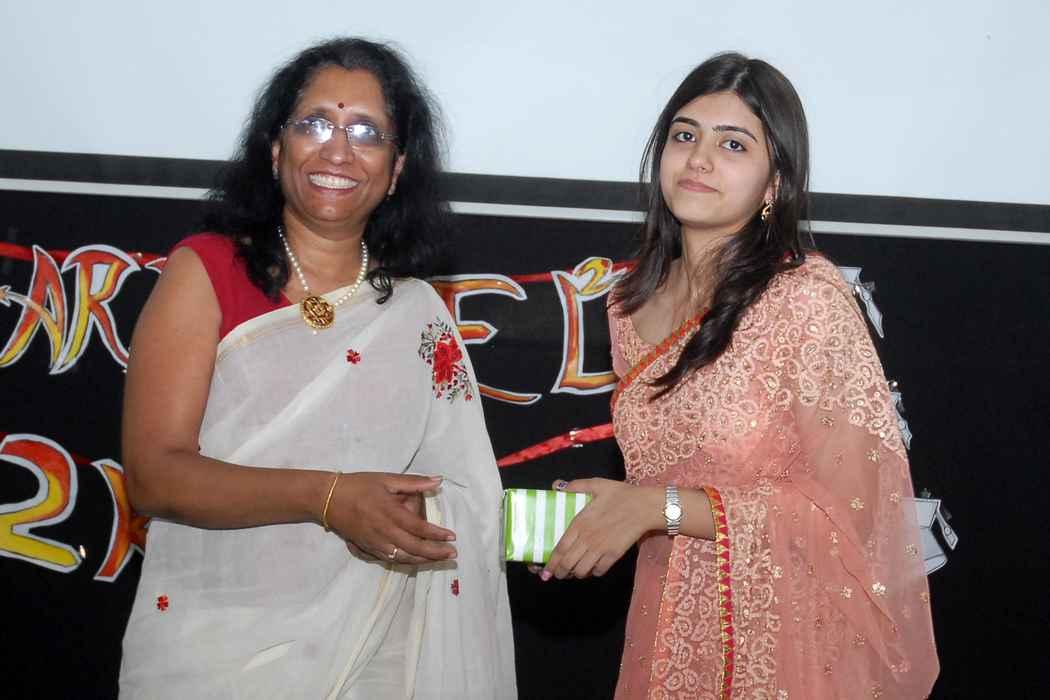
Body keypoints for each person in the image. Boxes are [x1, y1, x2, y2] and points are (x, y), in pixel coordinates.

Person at [120, 38, 515, 699]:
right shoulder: (207, 270)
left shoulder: (414, 313)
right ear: (276, 149)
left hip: (374, 651)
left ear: (396, 170)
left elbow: (460, 489)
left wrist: (414, 511)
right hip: (216, 645)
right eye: (315, 124)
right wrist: (330, 498)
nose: (338, 150)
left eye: (366, 132)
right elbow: (154, 476)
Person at [543, 53, 939, 698]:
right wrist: (610, 514)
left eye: (733, 144)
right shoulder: (628, 303)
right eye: (684, 135)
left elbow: (860, 517)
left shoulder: (804, 299)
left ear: (774, 182)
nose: (699, 159)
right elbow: (664, 476)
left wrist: (658, 507)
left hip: (790, 641)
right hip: (669, 624)